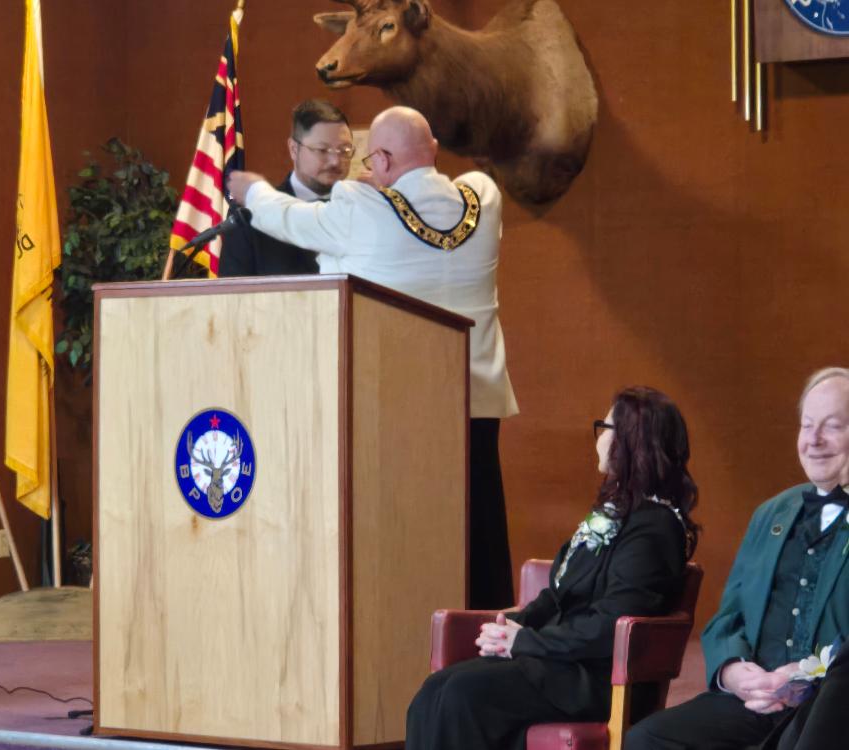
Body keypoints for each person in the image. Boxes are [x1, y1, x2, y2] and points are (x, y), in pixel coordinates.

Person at [227, 105, 518, 609]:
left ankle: (410, 631)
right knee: (478, 527)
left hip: (398, 408)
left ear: (379, 160)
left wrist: (251, 189)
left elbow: (287, 218)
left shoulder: (360, 209)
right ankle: (486, 633)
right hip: (475, 401)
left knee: (409, 535)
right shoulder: (484, 198)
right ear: (432, 152)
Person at [404, 386, 699, 750]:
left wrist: (526, 642)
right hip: (559, 663)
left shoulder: (654, 528)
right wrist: (515, 626)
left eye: (605, 429)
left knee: (460, 695)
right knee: (433, 691)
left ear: (631, 442)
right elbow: (560, 595)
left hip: (596, 677)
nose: (598, 440)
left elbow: (612, 622)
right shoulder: (615, 513)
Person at [625, 367, 849, 750]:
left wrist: (803, 677)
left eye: (832, 426)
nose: (813, 440)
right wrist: (732, 672)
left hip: (829, 706)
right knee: (648, 739)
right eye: (806, 425)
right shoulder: (770, 514)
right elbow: (727, 619)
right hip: (753, 699)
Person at [219, 99, 353, 277]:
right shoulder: (250, 214)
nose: (335, 161)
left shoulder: (359, 210)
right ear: (294, 149)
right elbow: (233, 295)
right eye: (322, 150)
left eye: (344, 150)